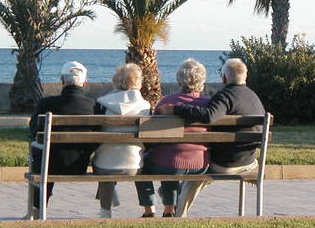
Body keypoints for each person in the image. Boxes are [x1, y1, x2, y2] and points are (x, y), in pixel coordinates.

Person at [156, 58, 265, 217]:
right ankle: (174, 200)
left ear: (224, 79)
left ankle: (179, 213)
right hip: (249, 162)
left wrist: (175, 110)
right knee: (197, 172)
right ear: (245, 77)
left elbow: (209, 116)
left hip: (225, 164)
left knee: (196, 175)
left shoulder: (225, 96)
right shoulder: (254, 97)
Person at [135, 59, 210, 218]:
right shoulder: (210, 105)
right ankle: (169, 209)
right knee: (170, 156)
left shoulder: (167, 102)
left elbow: (152, 134)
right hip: (200, 164)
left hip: (169, 163)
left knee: (145, 164)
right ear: (202, 80)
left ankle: (153, 210)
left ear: (179, 79)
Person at [28, 61, 95, 219]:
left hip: (47, 166)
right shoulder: (92, 106)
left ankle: (38, 210)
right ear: (85, 82)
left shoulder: (47, 103)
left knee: (44, 153)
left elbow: (33, 131)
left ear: (62, 80)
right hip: (78, 165)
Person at [92, 63, 151, 218]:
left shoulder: (102, 104)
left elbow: (95, 135)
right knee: (144, 158)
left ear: (115, 80)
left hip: (105, 166)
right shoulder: (145, 106)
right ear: (139, 82)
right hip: (135, 166)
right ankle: (149, 208)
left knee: (102, 159)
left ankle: (105, 211)